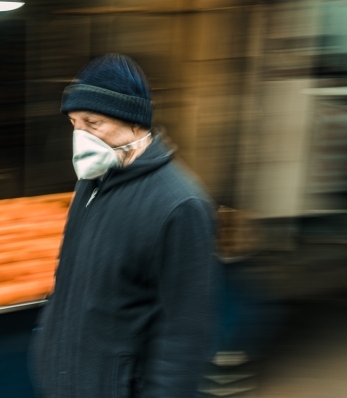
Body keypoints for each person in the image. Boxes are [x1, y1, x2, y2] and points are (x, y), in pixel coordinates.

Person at [30, 53, 219, 398]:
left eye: (92, 122)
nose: (79, 136)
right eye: (74, 123)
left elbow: (183, 335)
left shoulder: (180, 205)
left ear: (135, 123)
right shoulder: (92, 182)